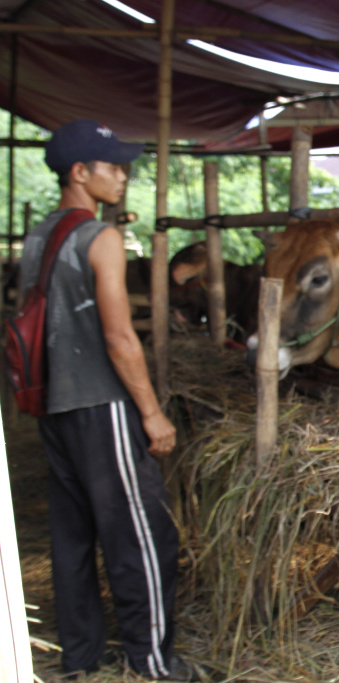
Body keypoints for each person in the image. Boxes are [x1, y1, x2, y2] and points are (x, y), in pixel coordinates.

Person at [20, 119, 199, 680]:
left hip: (52, 406)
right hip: (101, 404)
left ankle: (80, 658)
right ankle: (152, 660)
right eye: (112, 167)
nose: (123, 177)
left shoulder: (38, 235)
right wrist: (150, 412)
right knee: (144, 535)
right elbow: (120, 338)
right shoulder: (100, 237)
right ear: (80, 173)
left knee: (72, 535)